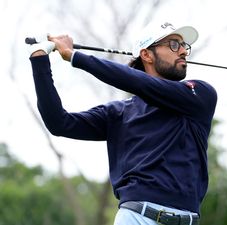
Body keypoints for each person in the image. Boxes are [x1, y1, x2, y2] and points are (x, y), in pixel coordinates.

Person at [28, 22, 217, 225]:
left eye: (184, 46)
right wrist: (39, 60)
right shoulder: (120, 113)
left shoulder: (199, 95)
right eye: (173, 44)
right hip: (136, 218)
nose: (183, 51)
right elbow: (59, 122)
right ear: (147, 55)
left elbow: (141, 83)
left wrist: (76, 57)